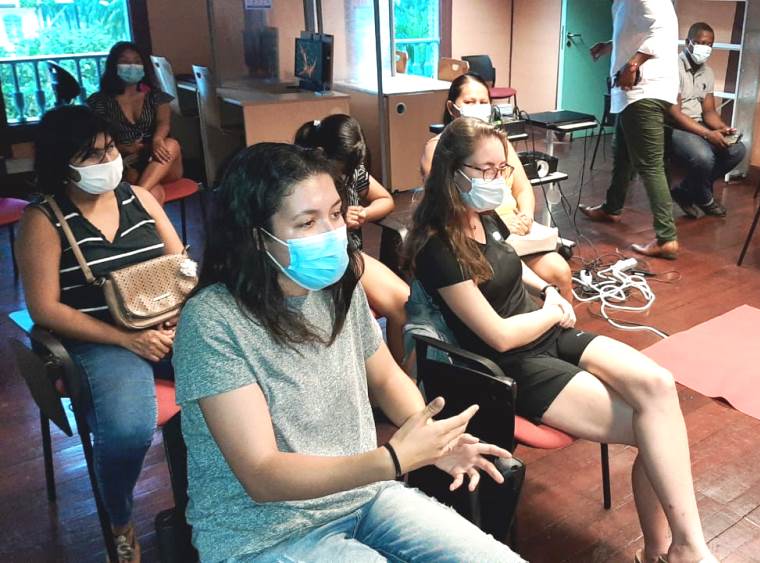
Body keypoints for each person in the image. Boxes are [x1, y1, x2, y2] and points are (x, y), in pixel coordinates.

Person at [172, 142, 523, 563]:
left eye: (336, 214)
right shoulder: (212, 321)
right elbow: (262, 475)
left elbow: (386, 378)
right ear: (256, 235)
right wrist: (394, 458)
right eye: (307, 222)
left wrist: (436, 441)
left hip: (364, 496)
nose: (331, 233)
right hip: (266, 533)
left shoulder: (338, 288)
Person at [405, 118, 717, 563]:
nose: (498, 180)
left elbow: (509, 264)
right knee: (654, 430)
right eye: (486, 170)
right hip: (512, 364)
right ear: (452, 172)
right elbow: (499, 335)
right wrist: (551, 311)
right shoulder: (437, 248)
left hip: (546, 332)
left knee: (659, 386)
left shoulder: (481, 217)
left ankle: (682, 549)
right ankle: (673, 552)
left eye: (501, 169)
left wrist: (547, 289)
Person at [16, 105, 185, 562]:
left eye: (109, 149)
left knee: (238, 379)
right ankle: (120, 517)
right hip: (100, 339)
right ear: (62, 162)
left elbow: (181, 266)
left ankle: (211, 496)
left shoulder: (141, 198)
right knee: (128, 431)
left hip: (162, 323)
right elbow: (44, 308)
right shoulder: (44, 220)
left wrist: (178, 312)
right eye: (91, 155)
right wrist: (127, 339)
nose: (107, 161)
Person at [420, 73, 573, 296]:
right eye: (470, 102)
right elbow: (444, 204)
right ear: (452, 108)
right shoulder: (439, 149)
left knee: (561, 272)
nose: (477, 107)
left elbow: (523, 189)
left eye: (483, 102)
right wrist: (499, 226)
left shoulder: (499, 143)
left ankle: (560, 317)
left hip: (515, 234)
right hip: (473, 237)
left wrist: (526, 217)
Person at [295, 114, 410, 364]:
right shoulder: (301, 179)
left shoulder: (352, 172)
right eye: (342, 168)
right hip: (321, 259)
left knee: (405, 307)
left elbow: (386, 200)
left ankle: (400, 375)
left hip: (350, 256)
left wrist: (364, 213)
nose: (345, 174)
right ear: (321, 154)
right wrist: (333, 219)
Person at [580, 0, 682, 260]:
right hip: (632, 93)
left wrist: (633, 64)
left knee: (650, 165)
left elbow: (663, 30)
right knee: (623, 154)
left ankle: (667, 238)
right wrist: (610, 46)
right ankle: (611, 208)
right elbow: (640, 32)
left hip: (643, 90)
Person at [88, 41, 182, 205]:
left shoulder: (156, 96)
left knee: (171, 144)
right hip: (125, 161)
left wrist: (156, 140)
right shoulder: (100, 101)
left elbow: (163, 123)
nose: (132, 66)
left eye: (137, 62)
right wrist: (124, 148)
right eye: (125, 61)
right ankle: (140, 197)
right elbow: (96, 137)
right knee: (153, 192)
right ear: (113, 66)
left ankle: (134, 198)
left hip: (159, 158)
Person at [668, 22, 746, 219]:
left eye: (709, 44)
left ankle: (686, 190)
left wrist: (723, 128)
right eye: (701, 43)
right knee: (704, 157)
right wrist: (708, 134)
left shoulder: (707, 72)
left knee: (737, 150)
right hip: (675, 126)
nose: (706, 48)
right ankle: (704, 198)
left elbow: (709, 111)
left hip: (698, 125)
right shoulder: (672, 67)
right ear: (688, 42)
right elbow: (676, 114)